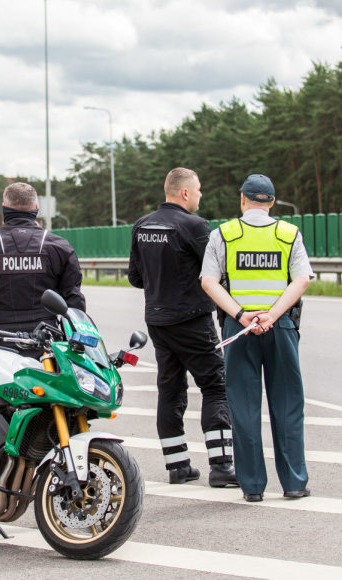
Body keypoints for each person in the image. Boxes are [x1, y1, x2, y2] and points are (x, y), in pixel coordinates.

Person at [200, 173, 313, 502]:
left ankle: (252, 487)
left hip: (240, 329)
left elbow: (209, 282)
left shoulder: (223, 234)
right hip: (280, 327)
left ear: (242, 199)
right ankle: (293, 483)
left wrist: (240, 315)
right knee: (288, 404)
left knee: (244, 408)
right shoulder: (288, 233)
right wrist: (273, 315)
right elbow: (302, 279)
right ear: (272, 203)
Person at [128, 167, 237, 488]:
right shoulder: (195, 225)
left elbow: (135, 277)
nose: (201, 195)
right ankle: (221, 466)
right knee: (215, 386)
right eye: (199, 190)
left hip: (158, 321)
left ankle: (178, 466)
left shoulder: (142, 225)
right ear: (185, 193)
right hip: (192, 320)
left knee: (171, 390)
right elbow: (217, 274)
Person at [0, 181, 86, 365]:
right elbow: (74, 302)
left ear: (4, 208)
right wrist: (76, 346)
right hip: (48, 346)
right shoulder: (59, 247)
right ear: (36, 208)